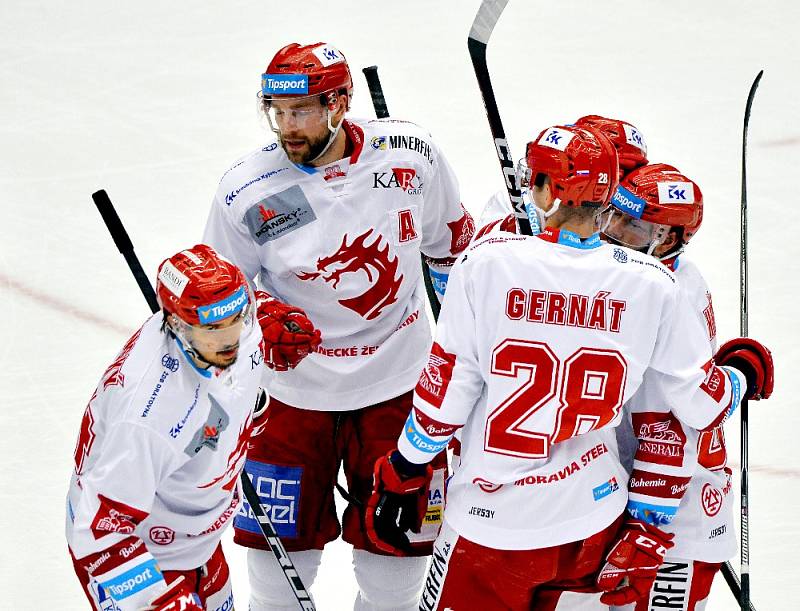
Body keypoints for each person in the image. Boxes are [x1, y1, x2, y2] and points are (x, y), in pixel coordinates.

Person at [365, 124, 772, 610]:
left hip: (491, 520)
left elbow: (447, 393)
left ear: (548, 191)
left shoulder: (487, 262)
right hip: (592, 517)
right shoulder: (652, 283)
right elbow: (697, 408)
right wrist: (739, 377)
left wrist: (402, 468)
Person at [202, 42, 474, 610]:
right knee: (278, 571)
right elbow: (219, 293)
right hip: (290, 399)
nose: (286, 127)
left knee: (396, 564)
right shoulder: (247, 190)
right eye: (275, 111)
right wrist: (262, 316)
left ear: (340, 103)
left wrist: (469, 348)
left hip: (402, 390)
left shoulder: (411, 156)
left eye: (300, 111)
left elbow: (454, 252)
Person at [600, 163, 774, 610]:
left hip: (675, 520)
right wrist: (737, 374)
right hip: (641, 505)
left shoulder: (665, 293)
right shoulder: (657, 276)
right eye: (613, 214)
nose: (613, 231)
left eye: (634, 225)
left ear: (670, 239)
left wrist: (648, 526)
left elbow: (688, 415)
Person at [66, 245, 271, 610]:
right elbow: (97, 532)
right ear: (176, 325)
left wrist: (276, 317)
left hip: (193, 534)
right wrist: (156, 602)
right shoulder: (150, 414)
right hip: (140, 551)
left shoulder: (230, 331)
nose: (229, 341)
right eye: (212, 329)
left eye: (236, 319)